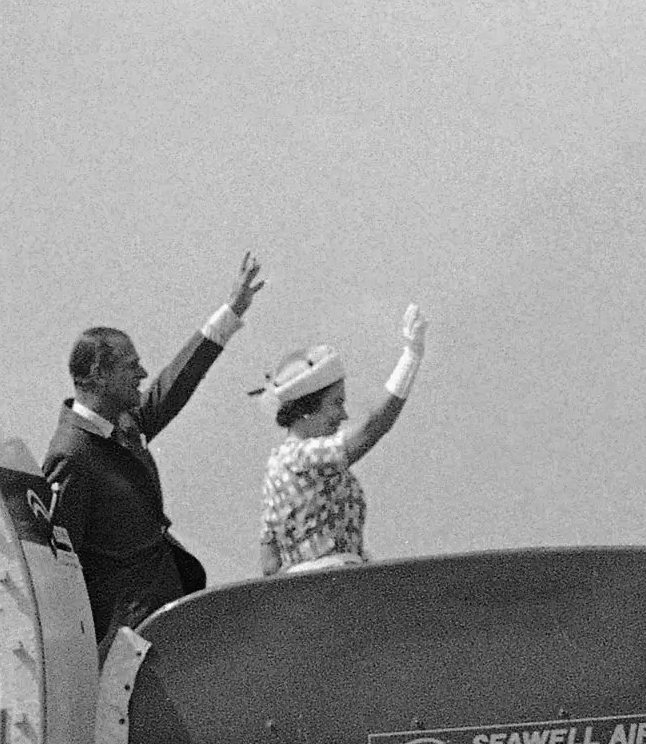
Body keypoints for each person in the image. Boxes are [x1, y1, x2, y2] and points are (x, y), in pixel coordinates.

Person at [45, 254, 262, 641]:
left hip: (167, 615)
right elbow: (63, 567)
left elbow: (175, 383)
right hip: (127, 640)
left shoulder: (124, 423)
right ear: (98, 375)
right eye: (131, 366)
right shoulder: (71, 454)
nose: (142, 375)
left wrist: (231, 313)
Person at [252, 304, 428, 575]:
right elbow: (373, 427)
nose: (344, 414)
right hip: (333, 590)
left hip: (309, 593)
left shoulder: (277, 465)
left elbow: (269, 563)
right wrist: (411, 356)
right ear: (307, 409)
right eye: (336, 403)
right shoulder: (302, 457)